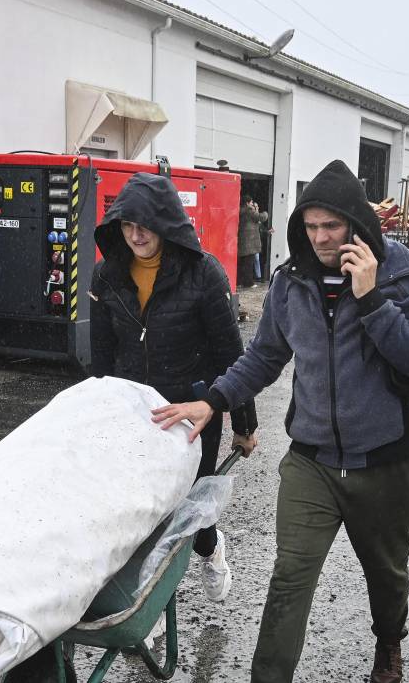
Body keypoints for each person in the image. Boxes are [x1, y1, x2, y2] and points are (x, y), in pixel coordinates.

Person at [151, 160, 409, 683]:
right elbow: (265, 356)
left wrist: (373, 299)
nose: (320, 239)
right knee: (288, 580)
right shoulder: (292, 282)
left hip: (385, 462)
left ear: (357, 224)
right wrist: (215, 401)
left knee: (386, 575)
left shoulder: (405, 276)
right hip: (311, 461)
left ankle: (388, 643)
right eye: (310, 227)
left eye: (331, 227)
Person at [90, 172, 259, 603]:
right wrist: (95, 412)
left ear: (167, 223)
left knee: (190, 508)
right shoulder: (106, 276)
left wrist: (244, 422)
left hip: (193, 409)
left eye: (145, 224)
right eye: (127, 225)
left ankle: (210, 546)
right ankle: (142, 597)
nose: (136, 234)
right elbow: (102, 357)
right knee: (138, 511)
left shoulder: (204, 274)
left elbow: (231, 354)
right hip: (135, 411)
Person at [237, 194, 269, 288]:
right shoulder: (249, 210)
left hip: (243, 241)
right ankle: (248, 283)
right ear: (247, 203)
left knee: (242, 263)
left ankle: (239, 282)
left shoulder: (240, 211)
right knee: (249, 264)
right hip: (250, 242)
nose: (252, 204)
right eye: (251, 202)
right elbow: (260, 217)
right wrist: (266, 213)